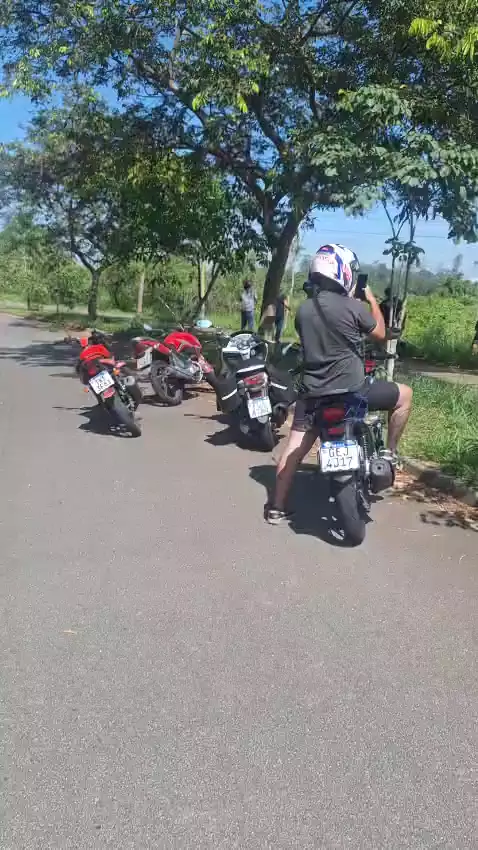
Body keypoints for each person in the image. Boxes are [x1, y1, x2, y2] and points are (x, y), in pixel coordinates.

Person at [266, 243, 413, 524]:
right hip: (353, 392)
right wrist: (369, 298)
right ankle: (390, 453)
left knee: (294, 449)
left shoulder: (303, 311)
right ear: (344, 272)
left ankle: (276, 507)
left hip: (313, 396)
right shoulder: (354, 307)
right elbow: (381, 333)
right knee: (405, 395)